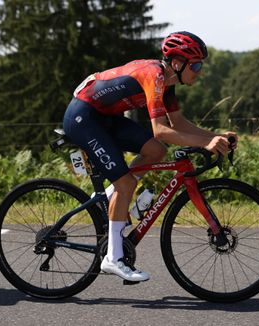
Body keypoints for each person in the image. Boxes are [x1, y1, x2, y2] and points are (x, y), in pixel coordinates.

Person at [63, 31, 238, 282]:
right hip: (83, 118)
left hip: (104, 118)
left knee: (155, 151)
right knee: (127, 183)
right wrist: (207, 142)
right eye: (196, 65)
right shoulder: (154, 75)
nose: (199, 71)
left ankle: (113, 199)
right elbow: (161, 130)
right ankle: (113, 258)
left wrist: (216, 136)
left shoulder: (168, 83)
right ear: (177, 63)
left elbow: (178, 124)